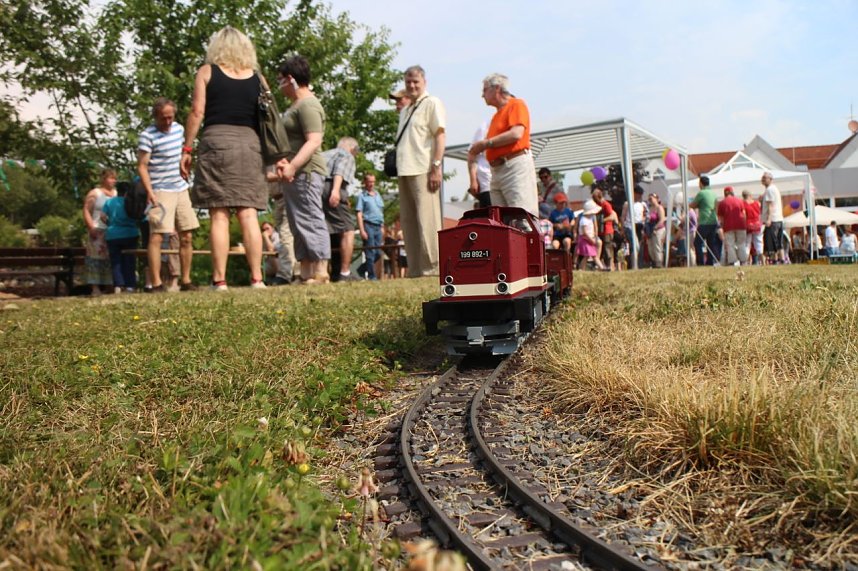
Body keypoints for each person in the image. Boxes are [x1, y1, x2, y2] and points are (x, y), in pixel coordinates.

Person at [179, 27, 267, 291]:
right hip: (250, 144)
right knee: (248, 213)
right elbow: (268, 117)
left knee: (219, 214)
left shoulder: (207, 72)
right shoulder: (258, 79)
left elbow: (197, 112)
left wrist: (186, 149)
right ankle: (257, 278)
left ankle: (220, 280)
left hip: (217, 140)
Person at [273, 55, 330, 284]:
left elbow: (314, 140)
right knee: (297, 222)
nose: (280, 85)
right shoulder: (295, 106)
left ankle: (321, 270)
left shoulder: (308, 104)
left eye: (281, 80)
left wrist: (293, 165)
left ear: (291, 79)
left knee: (310, 217)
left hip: (306, 171)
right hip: (294, 173)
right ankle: (306, 271)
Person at [138, 97, 199, 293]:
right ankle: (156, 283)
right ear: (156, 117)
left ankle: (186, 280)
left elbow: (186, 153)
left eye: (170, 117)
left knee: (187, 235)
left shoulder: (180, 130)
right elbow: (142, 166)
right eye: (163, 118)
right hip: (160, 189)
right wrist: (150, 191)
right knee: (157, 236)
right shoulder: (148, 135)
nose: (167, 122)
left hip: (180, 188)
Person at [394, 65, 446, 277]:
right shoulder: (406, 109)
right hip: (404, 169)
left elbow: (440, 136)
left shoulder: (432, 103)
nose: (412, 85)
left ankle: (433, 268)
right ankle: (415, 269)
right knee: (409, 223)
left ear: (424, 82)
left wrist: (436, 166)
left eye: (415, 81)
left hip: (423, 169)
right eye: (408, 82)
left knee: (428, 220)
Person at [468, 73, 538, 216]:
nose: (482, 95)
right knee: (502, 219)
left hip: (513, 166)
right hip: (497, 170)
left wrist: (486, 144)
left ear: (497, 88)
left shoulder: (516, 104)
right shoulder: (496, 116)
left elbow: (516, 133)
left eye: (485, 90)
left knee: (522, 215)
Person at [321, 137, 360, 281]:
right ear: (352, 148)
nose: (356, 154)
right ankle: (345, 273)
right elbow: (340, 171)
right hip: (331, 187)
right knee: (347, 230)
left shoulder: (325, 154)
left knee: (327, 231)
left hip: (315, 190)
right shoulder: (346, 155)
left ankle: (326, 272)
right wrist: (336, 190)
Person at [82, 169, 117, 296]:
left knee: (110, 258)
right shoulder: (95, 193)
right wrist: (91, 227)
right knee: (95, 258)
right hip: (97, 228)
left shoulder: (116, 193)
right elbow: (86, 210)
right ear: (103, 179)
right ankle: (95, 287)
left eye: (115, 178)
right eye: (111, 178)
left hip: (112, 230)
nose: (113, 181)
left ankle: (110, 285)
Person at [101, 182, 140, 293]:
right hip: (130, 233)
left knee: (115, 261)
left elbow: (102, 217)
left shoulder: (109, 202)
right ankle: (130, 285)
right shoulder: (131, 202)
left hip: (113, 235)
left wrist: (110, 223)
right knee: (129, 260)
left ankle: (118, 285)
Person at [355, 173, 385, 280]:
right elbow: (359, 213)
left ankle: (362, 270)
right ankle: (372, 276)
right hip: (368, 225)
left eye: (373, 181)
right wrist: (362, 230)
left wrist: (382, 226)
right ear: (365, 183)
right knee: (370, 252)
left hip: (378, 226)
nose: (371, 184)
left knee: (378, 253)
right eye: (369, 181)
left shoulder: (378, 195)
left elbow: (381, 211)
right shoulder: (362, 196)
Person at [690, 175, 721, 265]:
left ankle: (700, 262)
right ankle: (710, 262)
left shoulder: (701, 193)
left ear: (701, 183)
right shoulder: (713, 193)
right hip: (713, 221)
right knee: (710, 243)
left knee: (697, 242)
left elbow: (693, 205)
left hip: (704, 222)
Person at [716, 186, 747, 265]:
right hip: (741, 225)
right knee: (741, 243)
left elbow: (720, 218)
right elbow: (744, 214)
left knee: (730, 245)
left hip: (728, 226)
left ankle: (732, 261)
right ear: (732, 192)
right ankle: (743, 261)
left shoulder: (722, 203)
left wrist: (722, 226)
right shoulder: (739, 201)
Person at [761, 171, 785, 263]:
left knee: (772, 241)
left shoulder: (770, 190)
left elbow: (770, 205)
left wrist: (768, 219)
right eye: (763, 177)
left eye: (765, 178)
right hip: (779, 218)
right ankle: (782, 259)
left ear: (770, 179)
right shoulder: (774, 189)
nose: (763, 179)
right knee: (779, 241)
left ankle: (775, 259)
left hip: (773, 219)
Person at [621, 184, 647, 269]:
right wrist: (622, 229)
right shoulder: (627, 204)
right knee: (635, 246)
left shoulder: (642, 204)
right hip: (630, 227)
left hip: (639, 227)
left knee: (639, 247)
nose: (639, 196)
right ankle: (634, 265)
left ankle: (638, 264)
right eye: (638, 194)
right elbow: (623, 217)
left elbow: (644, 215)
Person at [467, 120, 492, 208]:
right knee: (489, 218)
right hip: (487, 184)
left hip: (506, 182)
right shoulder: (485, 126)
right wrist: (473, 180)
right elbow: (472, 154)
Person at [592, 188, 618, 270]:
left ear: (599, 197)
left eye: (595, 199)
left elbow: (612, 216)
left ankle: (610, 266)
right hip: (600, 231)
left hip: (607, 230)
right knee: (601, 249)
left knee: (608, 248)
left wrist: (602, 220)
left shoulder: (606, 205)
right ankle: (602, 266)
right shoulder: (597, 205)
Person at [575, 200, 602, 270]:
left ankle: (601, 267)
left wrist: (594, 237)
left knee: (591, 255)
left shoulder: (591, 218)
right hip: (585, 239)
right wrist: (591, 240)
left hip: (590, 239)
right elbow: (584, 233)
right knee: (587, 256)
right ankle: (582, 268)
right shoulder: (583, 220)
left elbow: (595, 227)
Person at [742, 189, 763, 265]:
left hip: (748, 225)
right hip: (757, 225)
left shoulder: (743, 204)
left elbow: (743, 216)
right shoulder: (757, 203)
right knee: (759, 243)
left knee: (747, 245)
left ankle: (745, 262)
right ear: (750, 195)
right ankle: (763, 261)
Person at [646, 193, 666, 268]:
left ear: (656, 199)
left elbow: (662, 220)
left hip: (659, 230)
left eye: (651, 199)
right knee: (650, 248)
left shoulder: (659, 208)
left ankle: (659, 263)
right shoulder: (649, 209)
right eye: (649, 199)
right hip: (650, 230)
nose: (650, 200)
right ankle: (654, 262)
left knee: (657, 246)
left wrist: (655, 227)